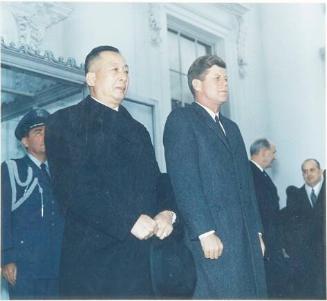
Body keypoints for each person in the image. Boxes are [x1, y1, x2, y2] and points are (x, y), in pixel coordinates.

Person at [45, 45, 175, 299]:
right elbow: (71, 189)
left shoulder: (138, 129)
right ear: (91, 78)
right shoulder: (64, 121)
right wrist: (127, 221)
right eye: (114, 69)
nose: (123, 77)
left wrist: (167, 212)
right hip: (94, 266)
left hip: (142, 263)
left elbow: (156, 181)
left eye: (126, 71)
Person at [163, 54, 267, 299]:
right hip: (214, 239)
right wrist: (205, 232)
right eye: (217, 78)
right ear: (197, 85)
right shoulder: (182, 120)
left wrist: (257, 233)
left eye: (227, 78)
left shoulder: (232, 128)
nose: (224, 83)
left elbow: (246, 186)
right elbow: (184, 181)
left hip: (245, 239)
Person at [1, 108, 64, 299]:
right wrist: (7, 258)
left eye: (48, 132)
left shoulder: (61, 173)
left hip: (57, 265)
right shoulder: (11, 169)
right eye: (38, 132)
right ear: (25, 141)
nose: (45, 136)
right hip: (25, 267)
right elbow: (2, 215)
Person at [249, 138, 290, 298]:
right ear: (264, 153)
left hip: (270, 240)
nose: (274, 157)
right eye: (273, 153)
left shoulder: (259, 173)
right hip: (264, 241)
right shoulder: (250, 173)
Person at [283, 159, 326, 299]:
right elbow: (289, 227)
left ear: (320, 170)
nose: (308, 174)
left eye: (312, 170)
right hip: (305, 262)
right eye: (305, 171)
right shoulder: (295, 195)